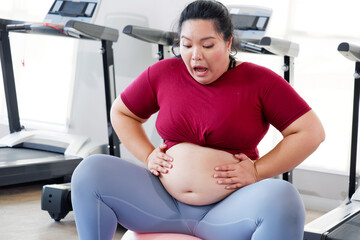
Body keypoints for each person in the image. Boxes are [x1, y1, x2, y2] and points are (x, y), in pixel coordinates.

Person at [71, 0, 325, 239]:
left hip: (228, 211)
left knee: (284, 197)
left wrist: (257, 171)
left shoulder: (261, 81)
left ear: (228, 42)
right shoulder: (163, 73)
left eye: (207, 45)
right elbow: (122, 112)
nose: (195, 55)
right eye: (187, 44)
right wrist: (148, 155)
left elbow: (310, 132)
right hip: (160, 204)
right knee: (90, 171)